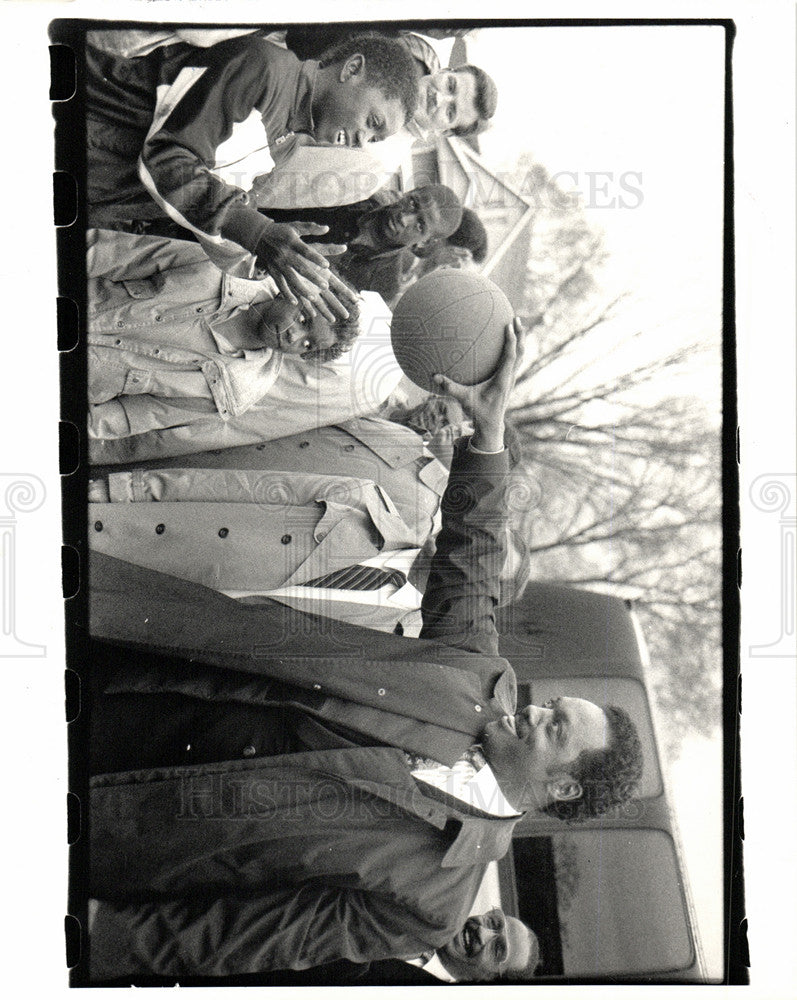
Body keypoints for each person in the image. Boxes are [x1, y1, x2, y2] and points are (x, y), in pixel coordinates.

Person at [87, 320, 644, 971]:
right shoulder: (475, 677)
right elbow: (472, 562)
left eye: (555, 729)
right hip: (139, 675)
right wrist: (488, 438)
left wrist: (100, 939)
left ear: (564, 789)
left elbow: (253, 936)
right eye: (553, 706)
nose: (534, 711)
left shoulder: (431, 901)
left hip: (119, 818)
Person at [85, 32, 419, 319]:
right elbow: (168, 158)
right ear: (352, 69)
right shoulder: (265, 68)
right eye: (373, 122)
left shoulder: (289, 144)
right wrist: (258, 232)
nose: (362, 141)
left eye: (374, 139)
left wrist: (260, 253)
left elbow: (206, 202)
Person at [86, 230, 359, 443]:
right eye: (304, 319)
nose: (294, 336)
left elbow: (124, 417)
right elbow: (111, 254)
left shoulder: (236, 390)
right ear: (296, 290)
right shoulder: (224, 267)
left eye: (307, 345)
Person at [87, 900, 539, 981]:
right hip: (171, 931)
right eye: (496, 922)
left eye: (496, 948)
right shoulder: (417, 905)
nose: (481, 931)